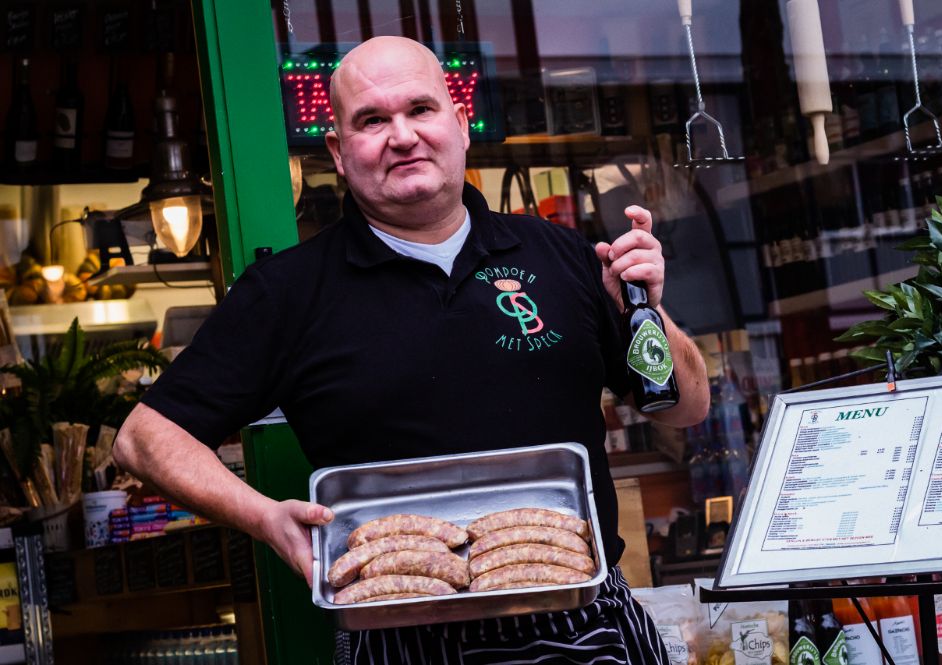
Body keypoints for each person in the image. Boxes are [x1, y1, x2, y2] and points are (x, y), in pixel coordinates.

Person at [114, 36, 709, 664]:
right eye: (372, 121)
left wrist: (647, 307)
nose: (402, 136)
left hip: (584, 620)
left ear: (458, 123)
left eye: (420, 110)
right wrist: (265, 518)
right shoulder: (287, 293)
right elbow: (144, 439)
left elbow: (686, 407)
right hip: (400, 639)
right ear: (340, 155)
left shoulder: (559, 255)